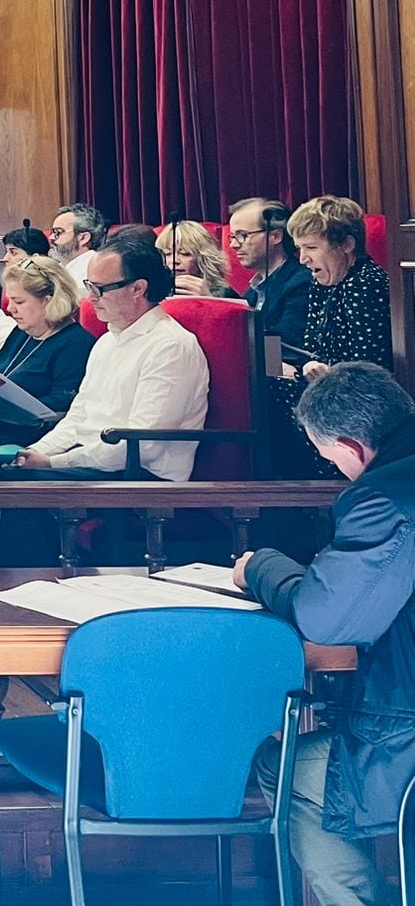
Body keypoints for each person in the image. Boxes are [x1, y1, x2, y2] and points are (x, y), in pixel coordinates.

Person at [237, 361, 415, 906]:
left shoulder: (387, 495)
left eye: (331, 459)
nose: (337, 471)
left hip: (407, 734)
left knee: (282, 764)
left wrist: (261, 567)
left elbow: (327, 619)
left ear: (351, 446)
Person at [13, 238, 209, 480]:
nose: (91, 298)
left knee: (6, 483)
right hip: (92, 462)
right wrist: (36, 451)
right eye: (89, 286)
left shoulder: (171, 346)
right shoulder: (107, 340)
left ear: (138, 288)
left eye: (100, 289)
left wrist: (54, 462)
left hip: (141, 476)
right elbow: (79, 415)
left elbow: (144, 445)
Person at [291, 196, 393, 381]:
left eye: (311, 247)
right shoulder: (322, 281)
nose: (302, 259)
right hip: (328, 385)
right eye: (299, 248)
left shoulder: (366, 284)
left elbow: (370, 370)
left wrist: (328, 373)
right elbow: (312, 347)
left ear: (347, 245)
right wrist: (311, 365)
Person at [0, 255, 94, 419]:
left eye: (19, 301)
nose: (10, 309)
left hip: (33, 434)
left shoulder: (77, 343)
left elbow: (63, 402)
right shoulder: (21, 332)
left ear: (49, 300)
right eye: (9, 300)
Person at [230, 196, 308, 367]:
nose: (233, 245)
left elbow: (286, 352)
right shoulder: (253, 291)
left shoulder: (301, 282)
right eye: (232, 237)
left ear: (275, 236)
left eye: (242, 235)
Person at [157, 219, 241, 298]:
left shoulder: (225, 293)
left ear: (203, 259)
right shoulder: (153, 291)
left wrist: (208, 299)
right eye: (167, 254)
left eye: (185, 254)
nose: (174, 261)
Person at [49, 203, 106, 286]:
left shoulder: (96, 269)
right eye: (52, 232)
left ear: (83, 238)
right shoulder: (58, 268)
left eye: (57, 232)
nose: (51, 237)